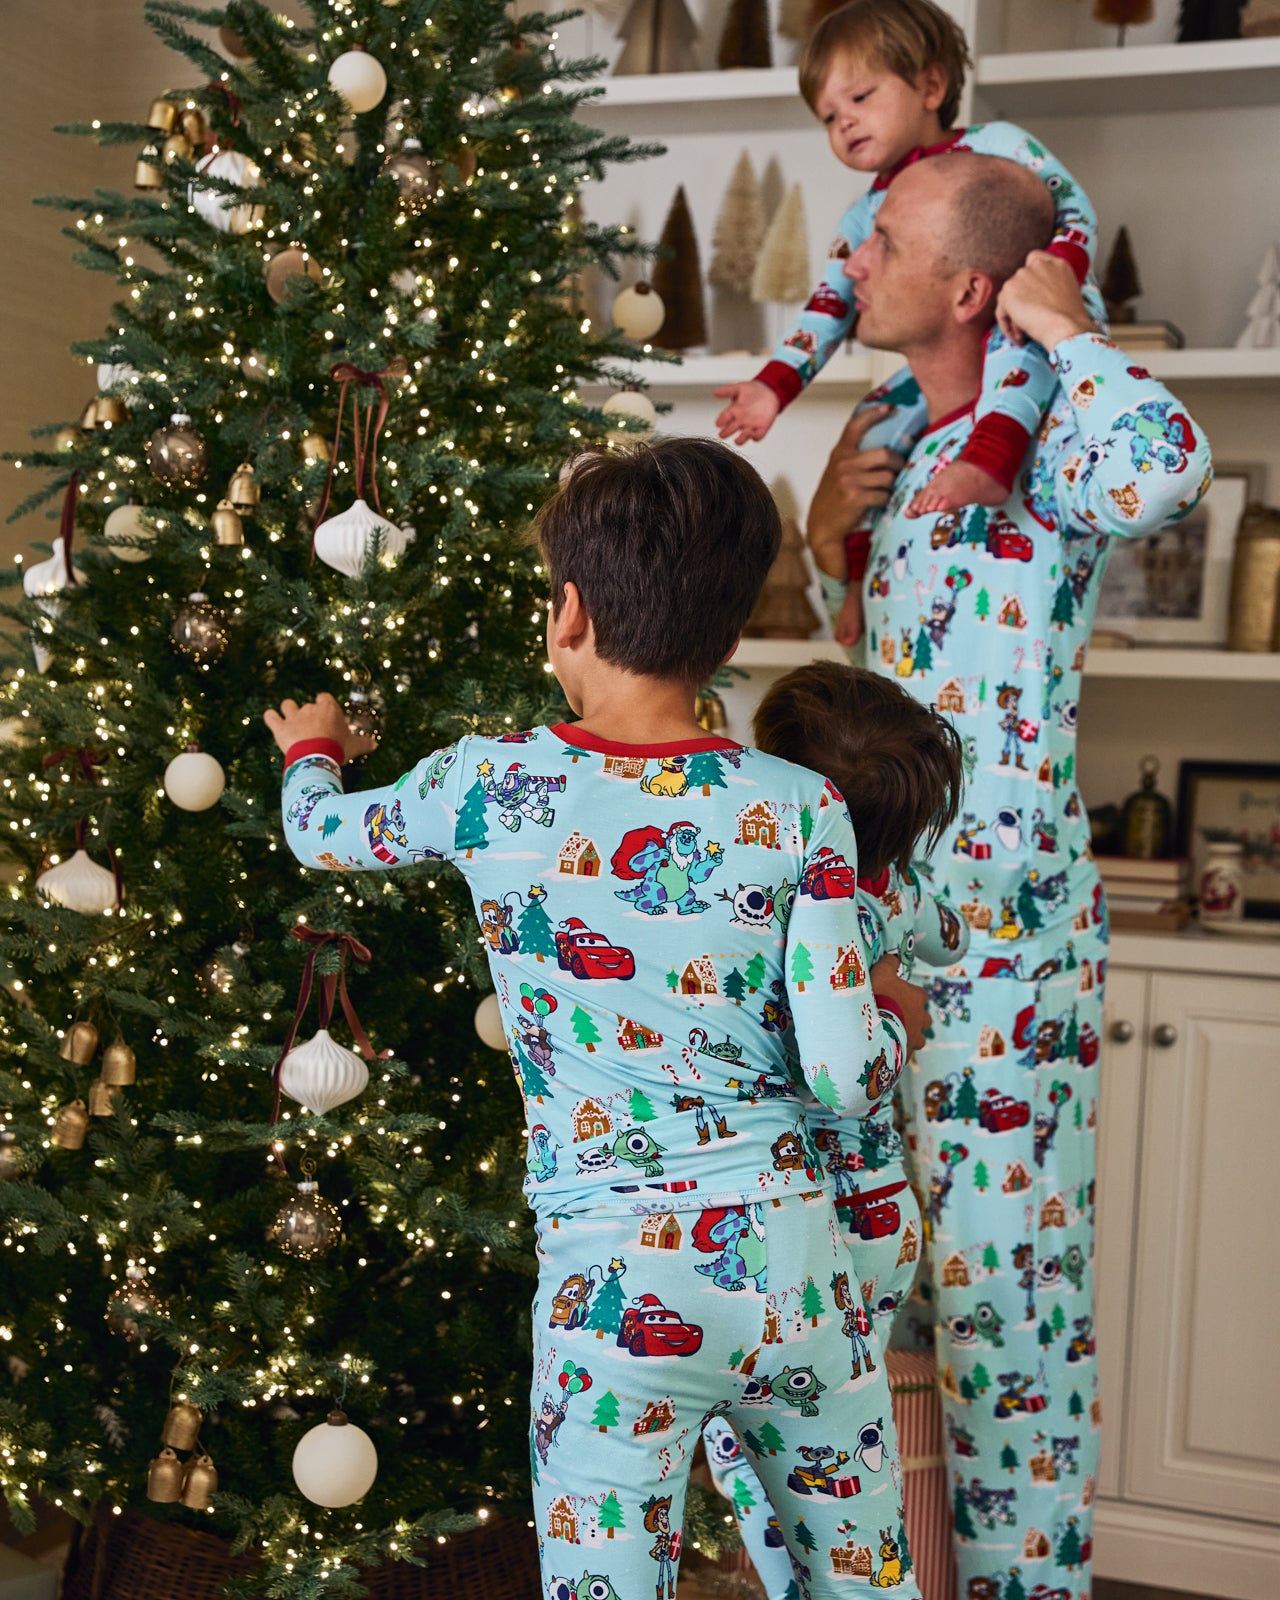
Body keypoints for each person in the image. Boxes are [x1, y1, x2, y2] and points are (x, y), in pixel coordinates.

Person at [265, 438, 932, 1600]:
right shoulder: (798, 806)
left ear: (567, 613)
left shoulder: (486, 785)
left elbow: (323, 835)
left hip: (615, 1291)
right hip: (795, 1279)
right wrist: (894, 1026)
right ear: (725, 639)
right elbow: (837, 1074)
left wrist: (312, 750)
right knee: (864, 1582)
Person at [805, 151, 1212, 1596]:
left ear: (972, 283)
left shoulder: (1051, 438)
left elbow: (1170, 471)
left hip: (1005, 957)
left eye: (884, 242)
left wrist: (1068, 327)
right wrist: (818, 529)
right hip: (874, 934)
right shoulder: (903, 436)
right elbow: (863, 665)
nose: (850, 266)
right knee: (858, 1308)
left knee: (1008, 1338)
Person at [712, 0, 1105, 648]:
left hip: (1033, 324)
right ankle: (858, 579)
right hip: (896, 676)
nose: (845, 124)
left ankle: (992, 458)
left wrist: (1050, 284)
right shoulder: (864, 215)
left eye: (860, 97)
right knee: (876, 423)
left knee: (1017, 358)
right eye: (829, 118)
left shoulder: (998, 148)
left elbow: (1074, 209)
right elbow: (826, 307)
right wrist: (772, 386)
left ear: (931, 86)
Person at [700, 663, 971, 1600]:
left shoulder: (768, 894)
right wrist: (903, 930)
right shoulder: (893, 887)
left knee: (765, 1458)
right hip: (882, 1220)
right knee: (841, 1458)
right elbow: (954, 937)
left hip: (796, 1224)